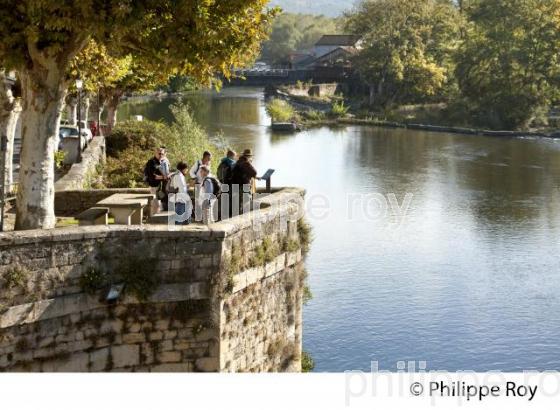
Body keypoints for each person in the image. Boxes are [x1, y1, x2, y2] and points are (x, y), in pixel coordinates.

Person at [231, 148, 259, 214]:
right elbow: (254, 172)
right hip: (244, 186)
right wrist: (250, 164)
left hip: (236, 186)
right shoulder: (245, 163)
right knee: (245, 203)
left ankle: (237, 217)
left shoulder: (238, 162)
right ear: (248, 156)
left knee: (238, 203)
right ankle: (242, 217)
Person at [144, 147, 169, 215]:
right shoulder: (151, 162)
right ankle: (153, 220)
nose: (161, 155)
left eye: (162, 154)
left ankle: (155, 219)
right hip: (154, 186)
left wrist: (165, 176)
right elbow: (152, 176)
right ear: (155, 153)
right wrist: (164, 177)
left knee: (159, 205)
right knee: (155, 205)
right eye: (159, 154)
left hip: (159, 186)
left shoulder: (160, 161)